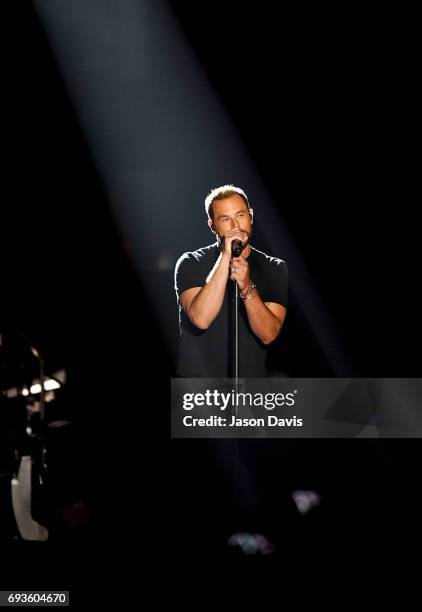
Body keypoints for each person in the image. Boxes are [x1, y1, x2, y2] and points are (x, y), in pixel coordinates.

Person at [174, 185, 288, 378]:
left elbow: (268, 334)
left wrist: (246, 286)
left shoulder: (274, 267)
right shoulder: (191, 261)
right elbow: (201, 319)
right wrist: (225, 257)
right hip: (199, 390)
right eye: (225, 219)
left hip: (249, 389)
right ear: (212, 226)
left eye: (240, 215)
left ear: (250, 216)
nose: (235, 226)